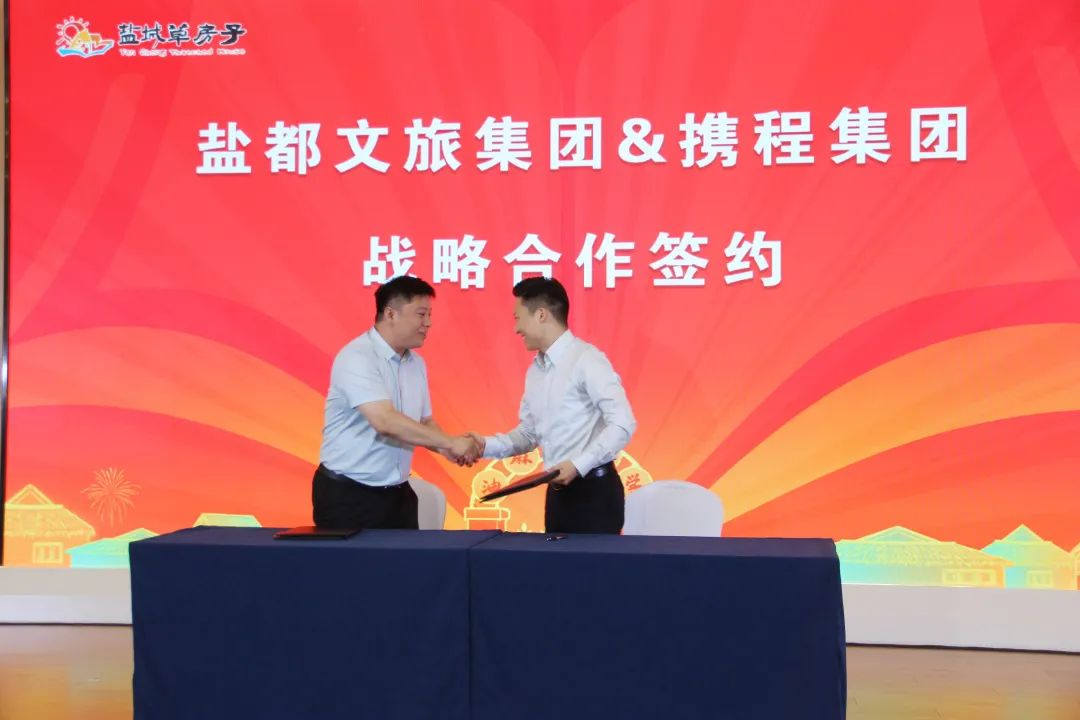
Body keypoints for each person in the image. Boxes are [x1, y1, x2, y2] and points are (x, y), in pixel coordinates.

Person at [468, 277, 636, 533]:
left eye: (518, 318)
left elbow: (623, 423)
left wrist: (578, 465)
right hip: (557, 494)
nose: (516, 328)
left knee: (594, 562)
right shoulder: (536, 370)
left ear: (541, 315)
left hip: (595, 494)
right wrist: (484, 445)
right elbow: (529, 434)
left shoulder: (587, 359)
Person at [314, 276, 480, 529]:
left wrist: (446, 448)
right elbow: (385, 421)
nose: (428, 323)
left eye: (430, 315)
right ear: (391, 313)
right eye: (421, 314)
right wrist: (450, 442)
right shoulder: (358, 357)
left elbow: (424, 421)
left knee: (407, 556)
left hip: (398, 494)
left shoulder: (416, 363)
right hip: (348, 495)